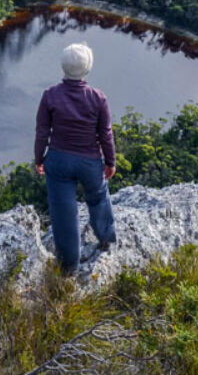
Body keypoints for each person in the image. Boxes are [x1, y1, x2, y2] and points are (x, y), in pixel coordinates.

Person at [34, 42, 117, 274]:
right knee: (99, 197)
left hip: (59, 161)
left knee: (63, 211)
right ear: (87, 68)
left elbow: (42, 132)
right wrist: (110, 161)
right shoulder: (98, 98)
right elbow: (105, 133)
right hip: (90, 161)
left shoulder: (50, 96)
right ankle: (106, 239)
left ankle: (69, 265)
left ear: (63, 67)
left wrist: (39, 158)